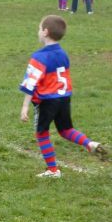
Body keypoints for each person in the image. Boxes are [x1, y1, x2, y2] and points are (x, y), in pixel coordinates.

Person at [19, 15, 107, 178]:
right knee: (66, 129)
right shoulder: (63, 54)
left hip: (47, 101)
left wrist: (25, 106)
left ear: (45, 32)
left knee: (42, 133)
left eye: (39, 29)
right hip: (64, 97)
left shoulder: (39, 57)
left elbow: (30, 83)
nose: (38, 32)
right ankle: (89, 144)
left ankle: (53, 170)